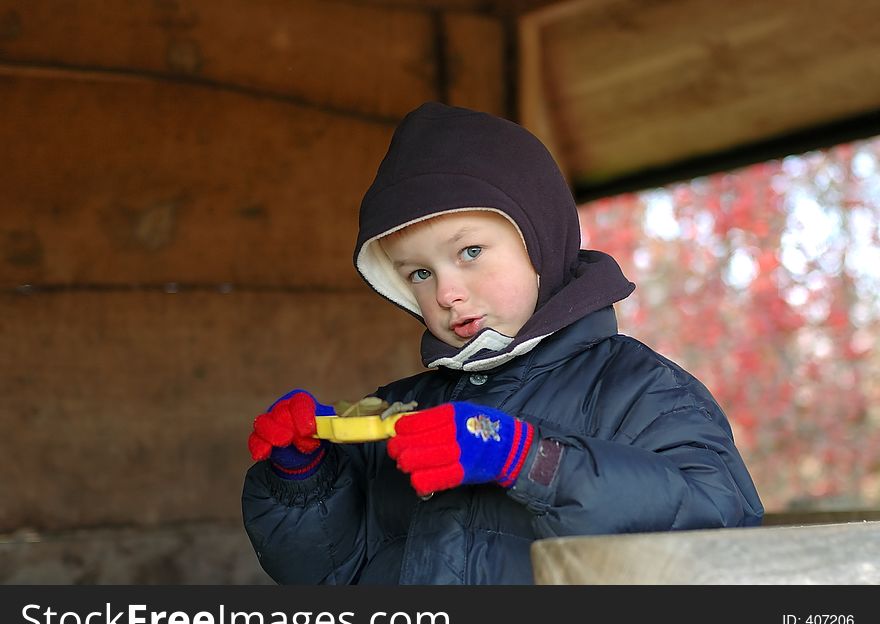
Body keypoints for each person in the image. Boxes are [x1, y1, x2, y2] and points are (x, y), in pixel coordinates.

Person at [241, 101, 764, 585]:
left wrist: (530, 459)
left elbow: (719, 525)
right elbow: (327, 571)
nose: (447, 292)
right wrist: (303, 479)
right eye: (419, 272)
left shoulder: (641, 391)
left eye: (470, 251)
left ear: (539, 240)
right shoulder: (403, 412)